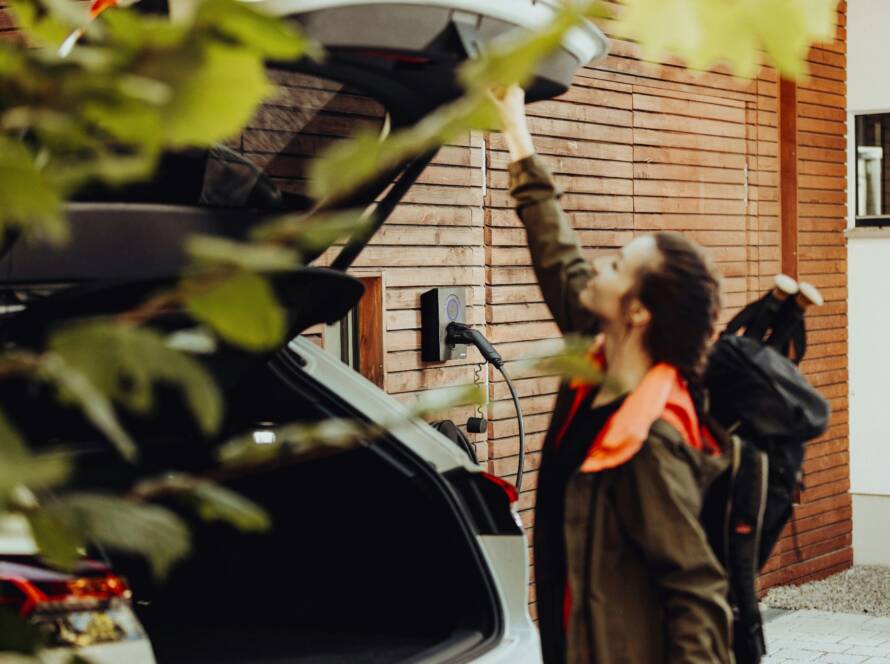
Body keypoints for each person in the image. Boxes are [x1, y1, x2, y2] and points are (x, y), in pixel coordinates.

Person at [490, 84, 734, 664]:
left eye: (618, 265)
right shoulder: (597, 358)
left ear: (639, 312)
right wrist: (514, 127)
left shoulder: (649, 442)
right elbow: (558, 253)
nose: (598, 266)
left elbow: (697, 594)